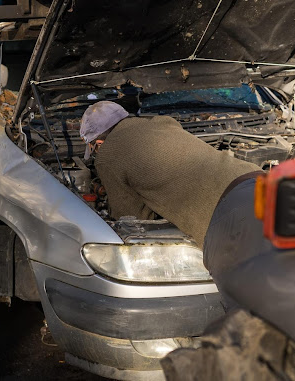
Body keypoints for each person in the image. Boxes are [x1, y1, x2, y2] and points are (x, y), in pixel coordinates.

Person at [80, 101, 272, 284]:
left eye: (94, 149)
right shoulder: (162, 122)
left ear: (98, 143)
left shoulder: (106, 156)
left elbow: (132, 219)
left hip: (229, 219)